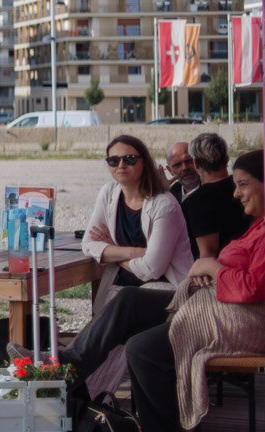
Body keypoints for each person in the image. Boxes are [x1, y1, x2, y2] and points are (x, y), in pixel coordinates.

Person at [125, 148, 265, 432]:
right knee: (129, 301)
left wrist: (213, 268)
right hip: (216, 305)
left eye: (243, 184)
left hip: (240, 321)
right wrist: (210, 268)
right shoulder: (260, 224)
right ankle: (70, 364)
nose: (236, 193)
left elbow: (251, 288)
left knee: (141, 349)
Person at [58, 134, 193, 389]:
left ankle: (68, 374)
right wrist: (133, 252)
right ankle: (72, 388)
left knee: (121, 308)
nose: (121, 165)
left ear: (144, 162)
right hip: (123, 286)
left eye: (129, 159)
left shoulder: (164, 205)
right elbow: (89, 243)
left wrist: (113, 252)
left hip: (167, 291)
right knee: (107, 326)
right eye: (113, 160)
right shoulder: (109, 193)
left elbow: (152, 269)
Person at [178, 131, 249, 261]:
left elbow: (208, 253)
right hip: (251, 259)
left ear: (196, 164)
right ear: (227, 159)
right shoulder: (246, 188)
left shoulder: (196, 202)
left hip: (221, 271)